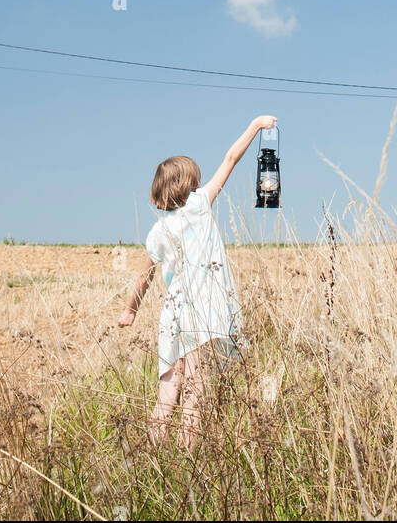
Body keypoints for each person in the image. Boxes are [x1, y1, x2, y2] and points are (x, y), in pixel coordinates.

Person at [118, 115, 277, 448]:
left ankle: (152, 458)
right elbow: (231, 158)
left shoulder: (159, 231)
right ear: (189, 185)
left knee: (168, 392)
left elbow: (144, 275)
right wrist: (256, 125)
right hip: (203, 316)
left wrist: (129, 311)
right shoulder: (201, 205)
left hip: (173, 317)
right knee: (195, 393)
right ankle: (185, 463)